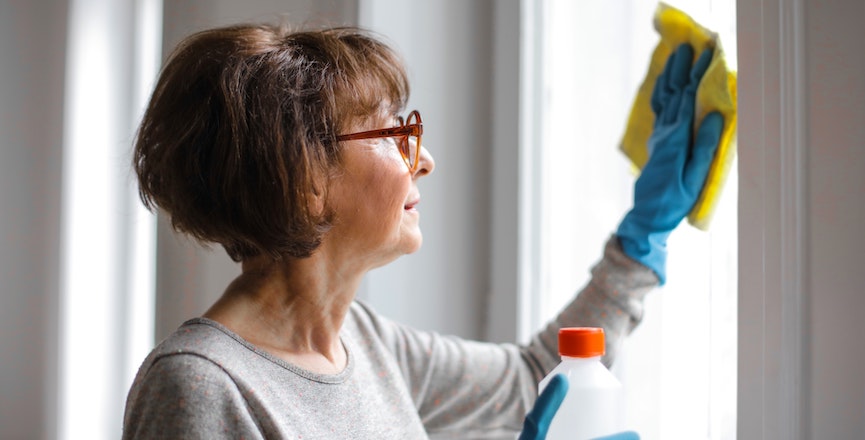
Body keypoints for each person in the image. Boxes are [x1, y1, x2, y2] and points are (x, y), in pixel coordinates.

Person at [123, 22, 721, 439]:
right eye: (390, 133)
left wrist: (642, 237)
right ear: (302, 177)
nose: (425, 159)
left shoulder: (366, 344)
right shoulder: (200, 387)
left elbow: (534, 381)